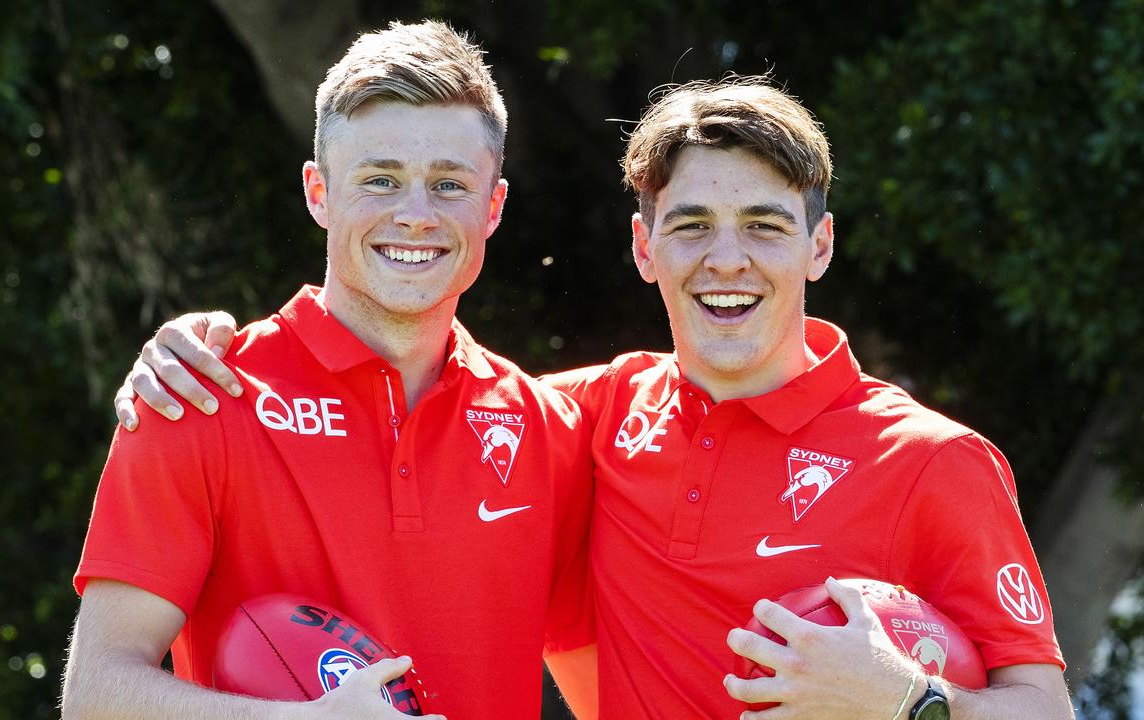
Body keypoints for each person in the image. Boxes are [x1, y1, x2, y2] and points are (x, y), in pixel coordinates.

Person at [117, 76, 1074, 719]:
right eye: (691, 224)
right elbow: (410, 388)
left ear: (818, 247)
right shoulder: (592, 417)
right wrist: (194, 349)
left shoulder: (934, 460)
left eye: (766, 226)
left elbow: (1045, 706)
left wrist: (909, 702)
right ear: (643, 248)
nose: (726, 259)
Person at [62, 21, 597, 720]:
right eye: (380, 180)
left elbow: (604, 693)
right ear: (319, 193)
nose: (415, 215)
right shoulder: (199, 394)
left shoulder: (550, 429)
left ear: (492, 206)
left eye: (448, 184)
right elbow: (96, 693)